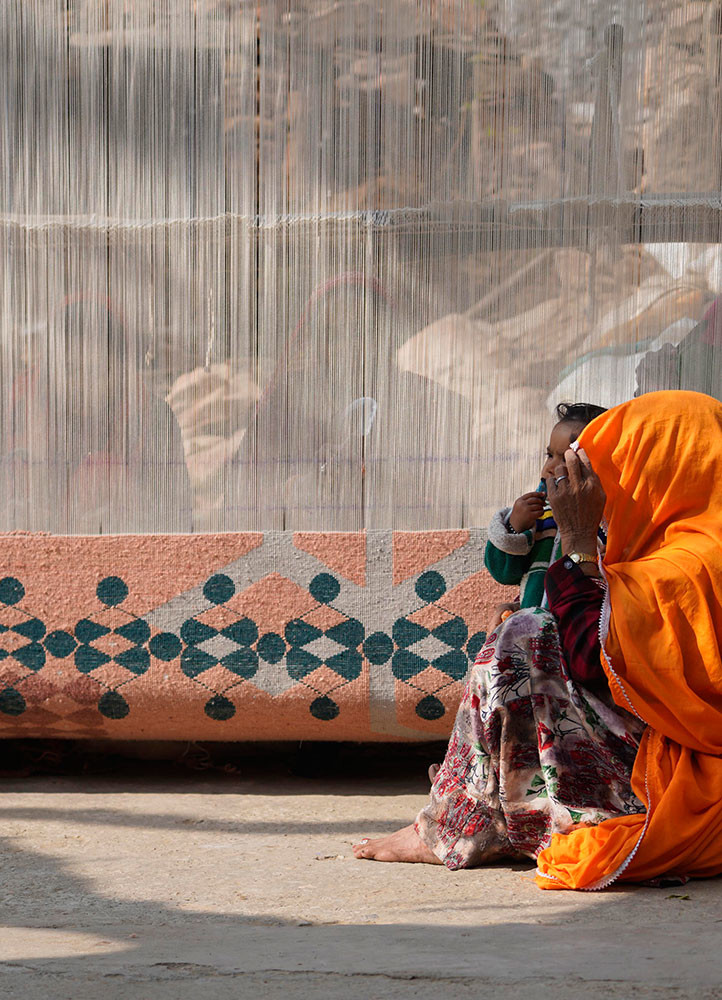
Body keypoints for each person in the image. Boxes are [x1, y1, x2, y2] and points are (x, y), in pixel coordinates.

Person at [354, 391, 722, 890]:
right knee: (529, 631)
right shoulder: (687, 547)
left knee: (526, 635)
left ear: (659, 472)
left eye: (611, 466)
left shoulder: (688, 566)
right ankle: (480, 804)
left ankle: (466, 820)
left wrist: (575, 540)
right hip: (689, 760)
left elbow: (595, 661)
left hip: (684, 781)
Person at [485, 402, 607, 612]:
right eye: (550, 456)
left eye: (570, 460)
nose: (550, 469)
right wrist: (514, 527)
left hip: (579, 629)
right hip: (532, 633)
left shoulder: (606, 521)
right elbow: (503, 573)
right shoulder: (539, 515)